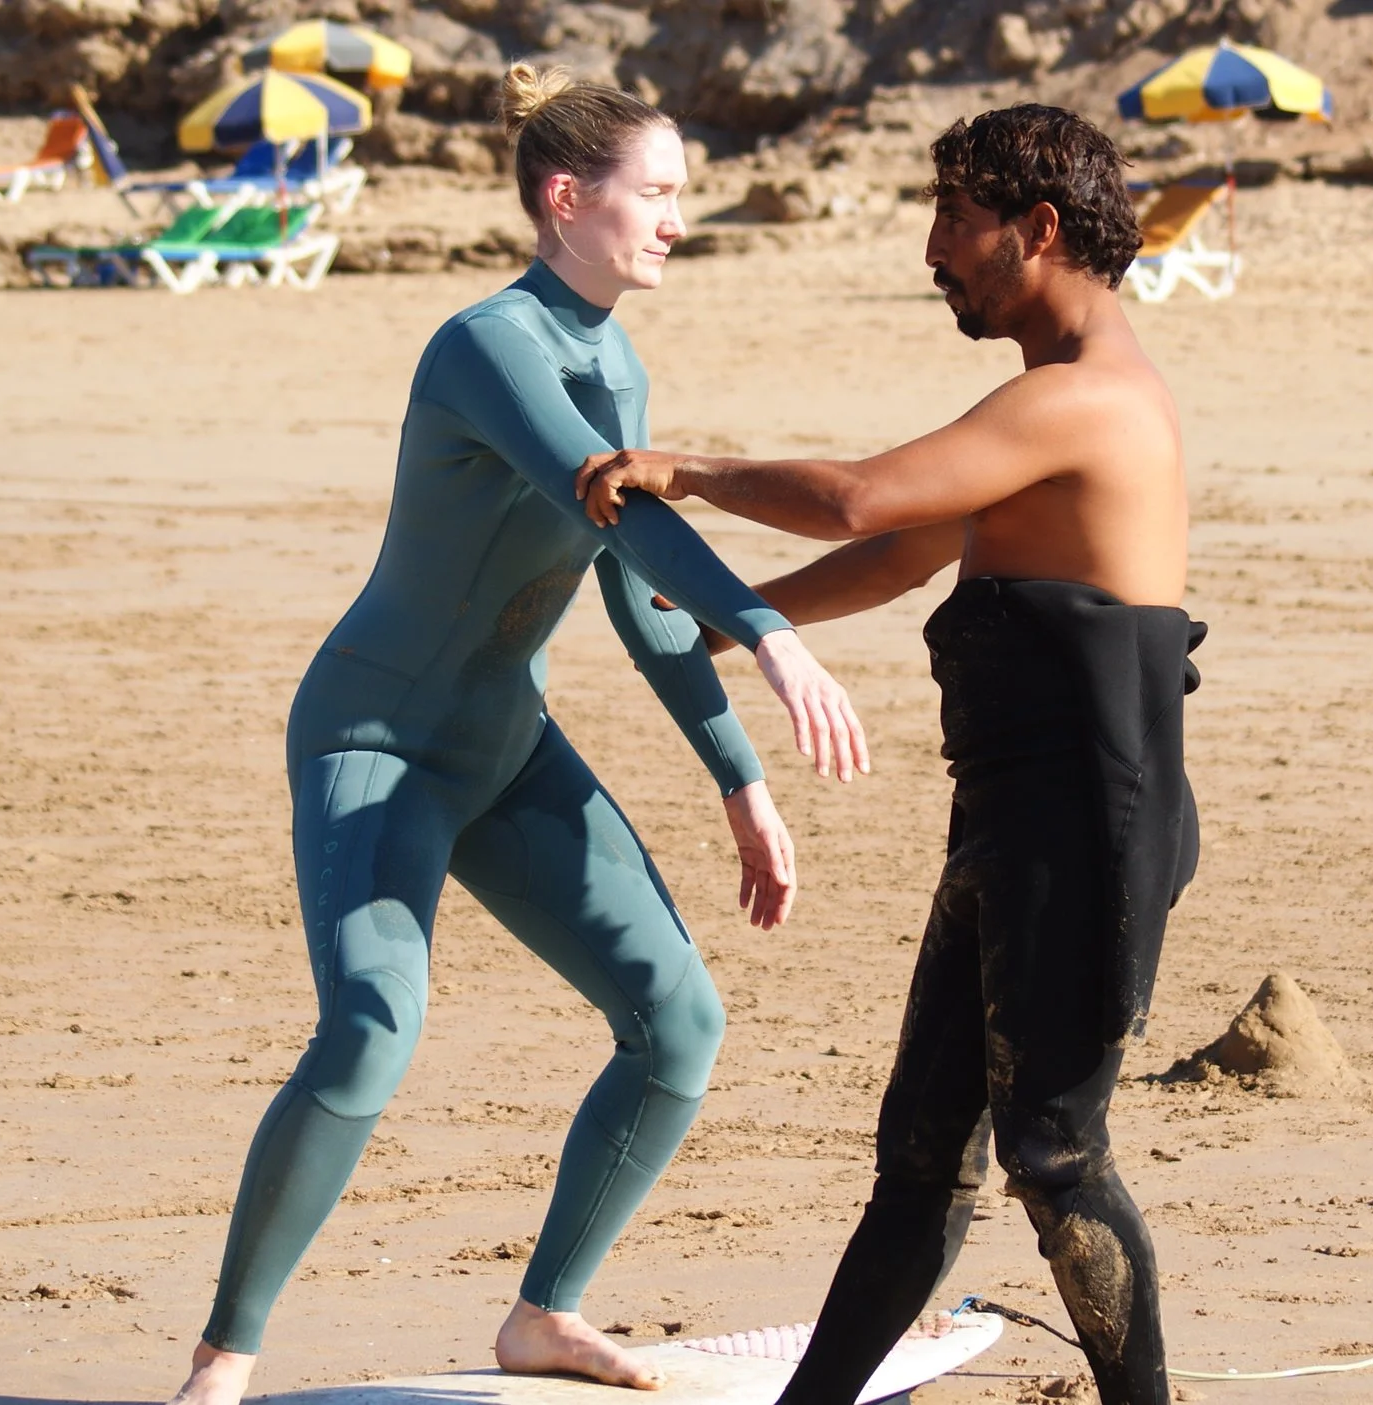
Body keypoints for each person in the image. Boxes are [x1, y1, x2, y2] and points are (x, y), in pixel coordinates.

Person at [166, 64, 874, 1405]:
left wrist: (741, 782)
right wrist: (775, 636)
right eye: (655, 193)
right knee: (373, 1027)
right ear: (566, 198)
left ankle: (545, 1314)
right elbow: (622, 506)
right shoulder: (487, 346)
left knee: (678, 1022)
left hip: (500, 743)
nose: (677, 217)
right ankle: (223, 1361)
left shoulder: (620, 361)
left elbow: (643, 594)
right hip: (372, 741)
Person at [574, 104, 1202, 1405]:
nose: (933, 248)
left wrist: (686, 471)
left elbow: (864, 496)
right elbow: (907, 550)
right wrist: (738, 617)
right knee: (922, 1156)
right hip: (1016, 826)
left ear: (1037, 230)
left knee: (1055, 1151)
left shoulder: (1086, 399)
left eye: (955, 219)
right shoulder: (1046, 407)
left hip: (1092, 824)